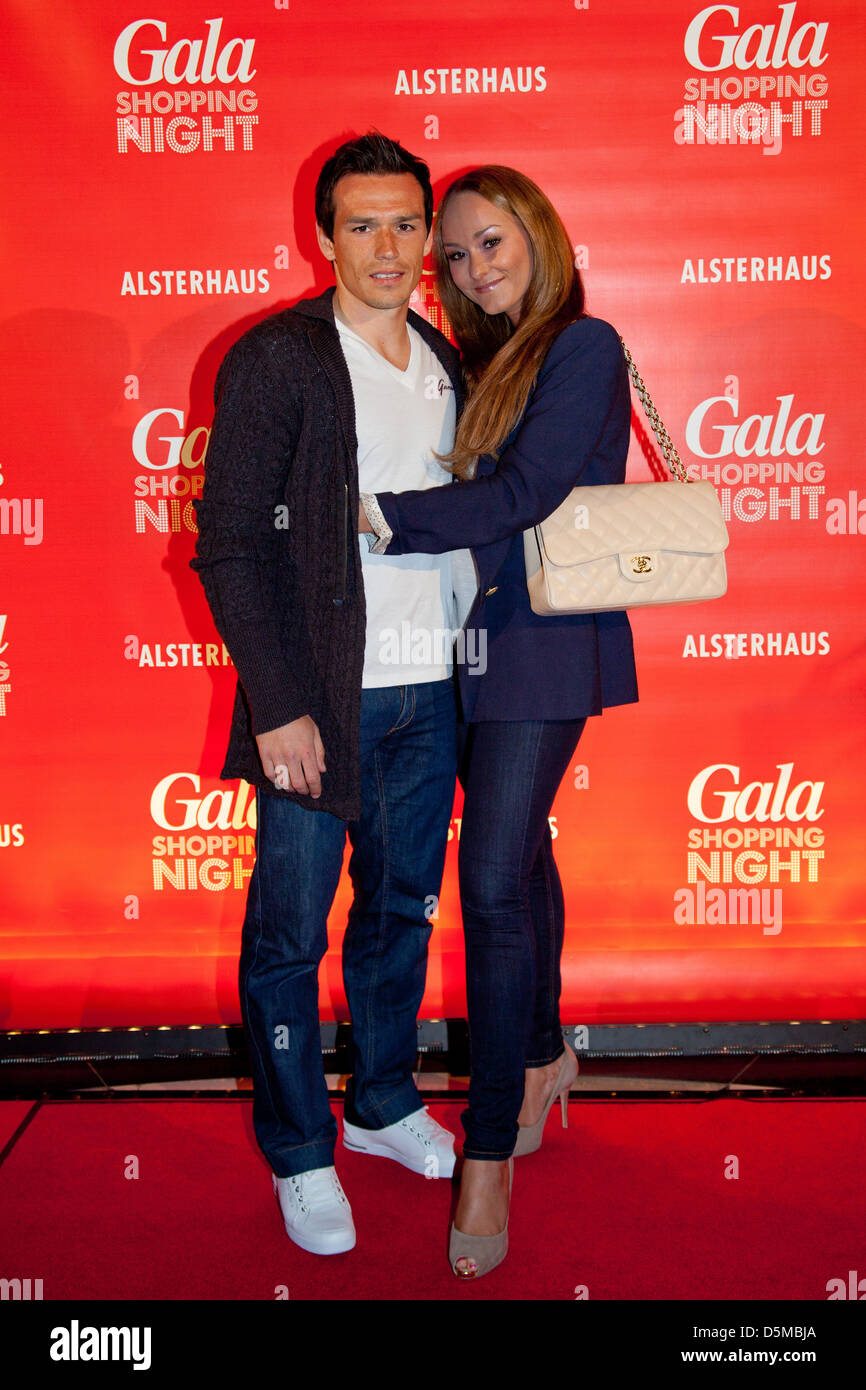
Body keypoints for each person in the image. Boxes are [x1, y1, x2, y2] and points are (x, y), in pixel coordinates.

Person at [192, 133, 478, 1257]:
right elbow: (225, 545)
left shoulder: (443, 360)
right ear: (321, 237)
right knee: (286, 937)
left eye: (407, 223)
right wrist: (277, 704)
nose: (389, 247)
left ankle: (382, 1101)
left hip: (431, 694)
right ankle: (300, 1149)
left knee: (399, 910)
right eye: (362, 224)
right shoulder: (278, 357)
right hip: (320, 702)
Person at [359, 165, 639, 1277]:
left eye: (492, 241)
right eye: (458, 254)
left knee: (484, 881)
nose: (475, 267)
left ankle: (485, 1155)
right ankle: (538, 1053)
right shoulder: (474, 355)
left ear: (536, 232)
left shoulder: (581, 344)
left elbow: (523, 493)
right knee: (517, 860)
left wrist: (379, 519)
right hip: (467, 642)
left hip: (544, 643)